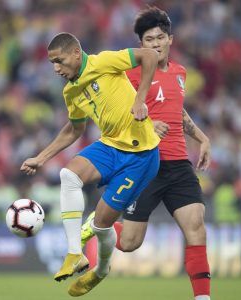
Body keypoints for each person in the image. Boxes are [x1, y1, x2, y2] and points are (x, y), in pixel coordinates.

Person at [81, 7, 212, 300]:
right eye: (149, 39)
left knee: (196, 228)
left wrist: (202, 138)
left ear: (170, 39)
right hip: (144, 163)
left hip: (178, 164)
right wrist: (149, 124)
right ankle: (100, 221)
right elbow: (114, 112)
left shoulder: (180, 73)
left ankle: (203, 298)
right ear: (141, 45)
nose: (155, 44)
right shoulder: (128, 73)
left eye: (160, 37)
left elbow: (178, 111)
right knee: (128, 243)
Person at [20, 32, 160, 296]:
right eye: (52, 63)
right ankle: (75, 253)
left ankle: (102, 270)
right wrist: (41, 158)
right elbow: (74, 130)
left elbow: (150, 55)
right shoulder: (71, 90)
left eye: (59, 61)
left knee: (100, 225)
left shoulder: (104, 62)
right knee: (68, 175)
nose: (56, 68)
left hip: (141, 154)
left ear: (76, 53)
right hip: (110, 146)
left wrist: (140, 98)